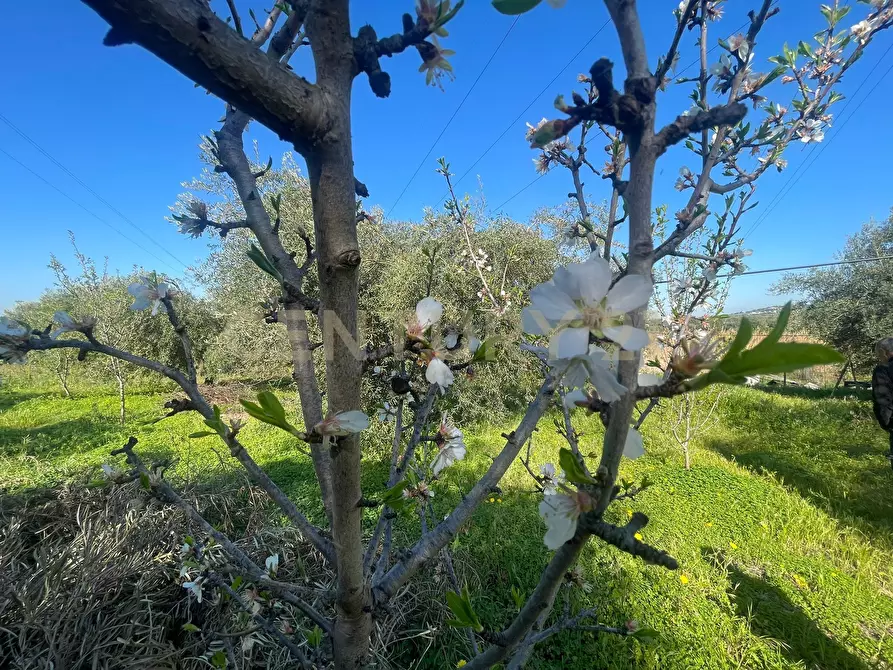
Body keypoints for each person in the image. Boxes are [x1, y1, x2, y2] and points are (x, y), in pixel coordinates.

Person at [871, 338, 893, 469]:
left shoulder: (883, 370)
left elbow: (882, 400)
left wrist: (886, 423)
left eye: (878, 355)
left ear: (883, 352)